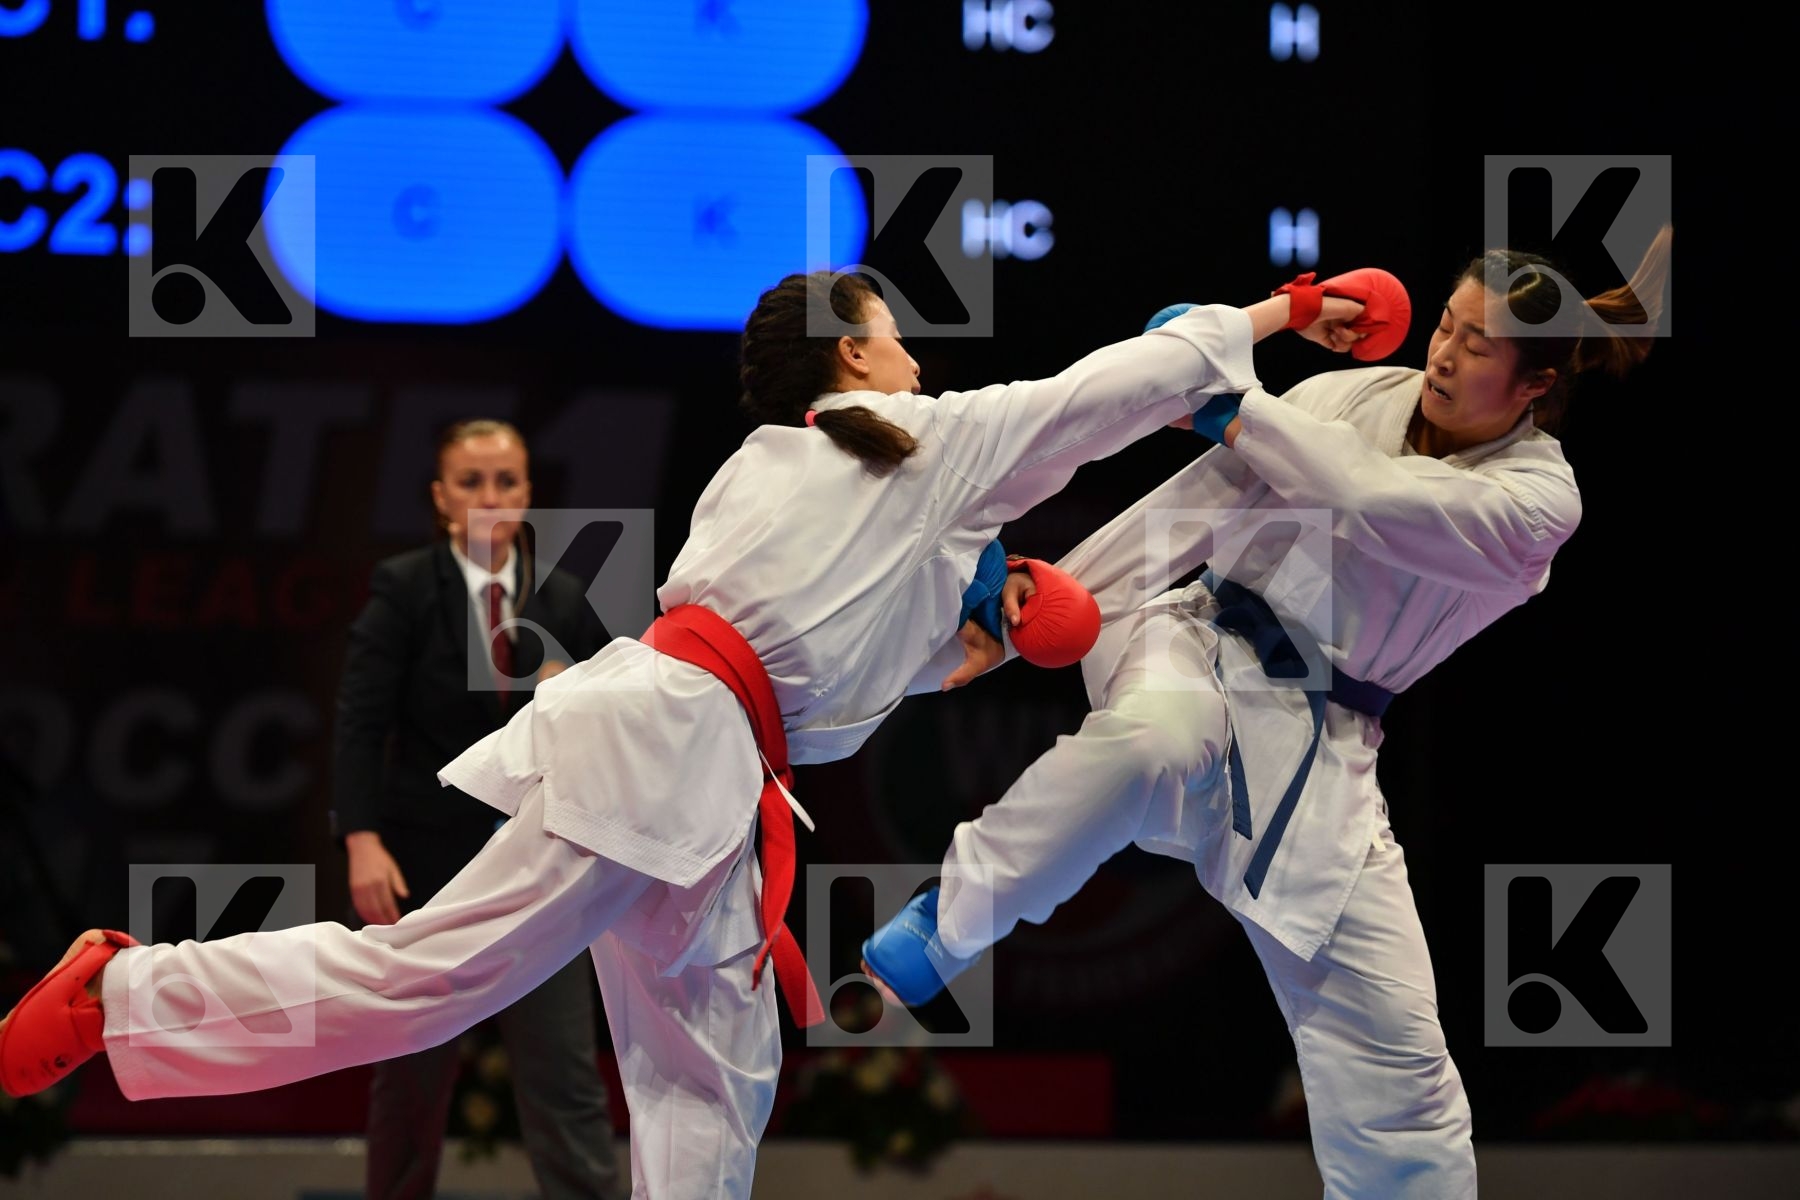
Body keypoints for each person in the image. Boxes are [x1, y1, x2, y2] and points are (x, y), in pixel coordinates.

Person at [0, 268, 1357, 1198]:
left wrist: (984, 630)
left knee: (715, 1076)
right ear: (854, 354)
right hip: (660, 754)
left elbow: (847, 677)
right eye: (897, 330)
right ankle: (117, 993)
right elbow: (1104, 395)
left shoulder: (821, 473)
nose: (917, 352)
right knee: (430, 983)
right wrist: (1282, 311)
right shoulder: (895, 440)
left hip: (716, 785)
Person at [861, 230, 1673, 1199]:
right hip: (1193, 637)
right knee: (1160, 738)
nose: (1446, 354)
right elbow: (1199, 505)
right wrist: (1040, 600)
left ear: (1535, 384)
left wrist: (1230, 404)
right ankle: (950, 924)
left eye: (1479, 345)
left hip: (1324, 753)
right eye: (1447, 325)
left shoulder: (1538, 501)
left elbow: (1376, 497)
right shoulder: (1354, 396)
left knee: (1402, 1077)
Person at [332, 418, 627, 1199]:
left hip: (541, 870)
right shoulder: (404, 588)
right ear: (441, 499)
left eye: (505, 482)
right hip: (427, 867)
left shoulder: (562, 597)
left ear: (528, 495)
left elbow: (616, 724)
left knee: (562, 1074)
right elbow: (362, 721)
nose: (489, 497)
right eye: (470, 482)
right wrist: (361, 838)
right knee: (410, 1074)